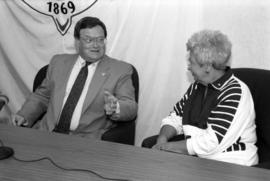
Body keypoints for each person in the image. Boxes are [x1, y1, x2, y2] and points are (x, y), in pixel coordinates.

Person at [142, 30, 258, 166]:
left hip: (232, 165)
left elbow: (211, 143)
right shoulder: (197, 86)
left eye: (191, 62)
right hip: (199, 161)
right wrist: (162, 139)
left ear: (207, 67)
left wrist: (166, 148)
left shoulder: (235, 92)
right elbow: (176, 117)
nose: (189, 67)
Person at [12, 16, 138, 139]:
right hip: (47, 133)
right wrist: (24, 115)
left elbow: (131, 107)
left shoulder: (120, 70)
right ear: (77, 42)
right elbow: (42, 96)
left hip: (85, 140)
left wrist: (116, 107)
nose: (96, 45)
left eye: (100, 40)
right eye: (89, 40)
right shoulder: (58, 62)